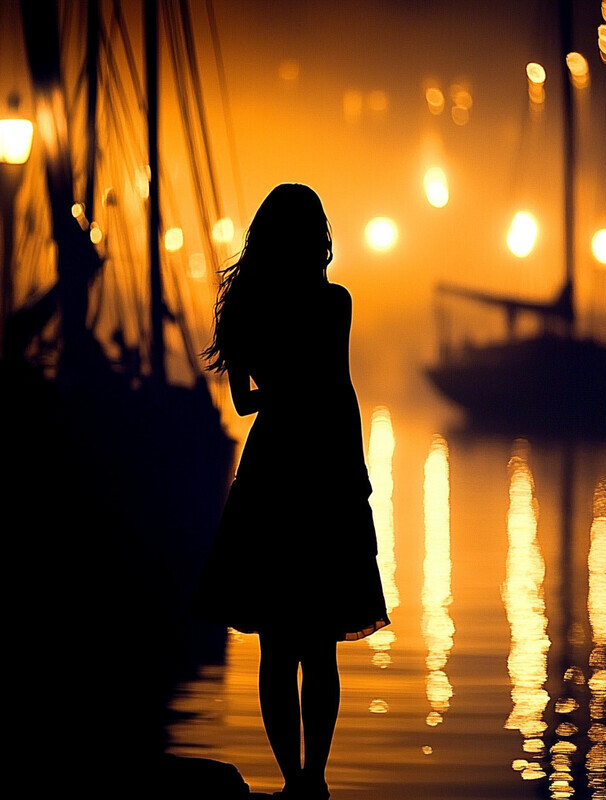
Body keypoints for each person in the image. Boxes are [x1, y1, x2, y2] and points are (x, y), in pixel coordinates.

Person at [192, 183, 390, 799]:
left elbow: (248, 401)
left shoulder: (250, 307)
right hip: (326, 474)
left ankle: (290, 780)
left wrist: (277, 385)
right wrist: (354, 472)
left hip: (273, 472)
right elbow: (339, 389)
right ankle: (316, 780)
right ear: (317, 237)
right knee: (320, 644)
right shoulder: (336, 304)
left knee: (276, 646)